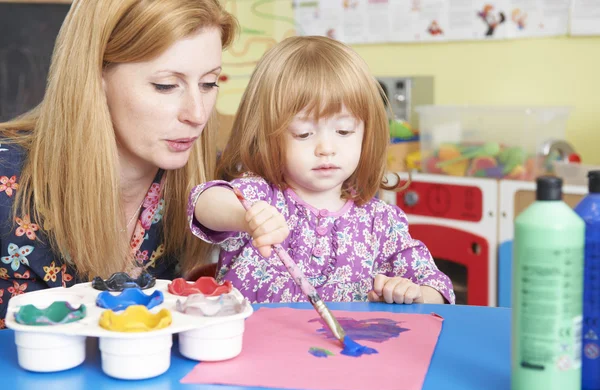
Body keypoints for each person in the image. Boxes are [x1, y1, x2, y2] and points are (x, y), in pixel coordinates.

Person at [0, 0, 238, 326]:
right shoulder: (7, 184)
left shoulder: (216, 186)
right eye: (165, 85)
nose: (197, 115)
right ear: (95, 76)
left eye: (209, 83)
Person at [186, 36, 455, 305]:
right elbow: (203, 203)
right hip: (255, 345)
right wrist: (244, 217)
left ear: (366, 134)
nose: (326, 148)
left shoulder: (380, 222)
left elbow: (436, 287)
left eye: (344, 131)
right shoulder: (260, 196)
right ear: (267, 136)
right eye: (303, 134)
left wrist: (413, 293)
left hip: (347, 347)